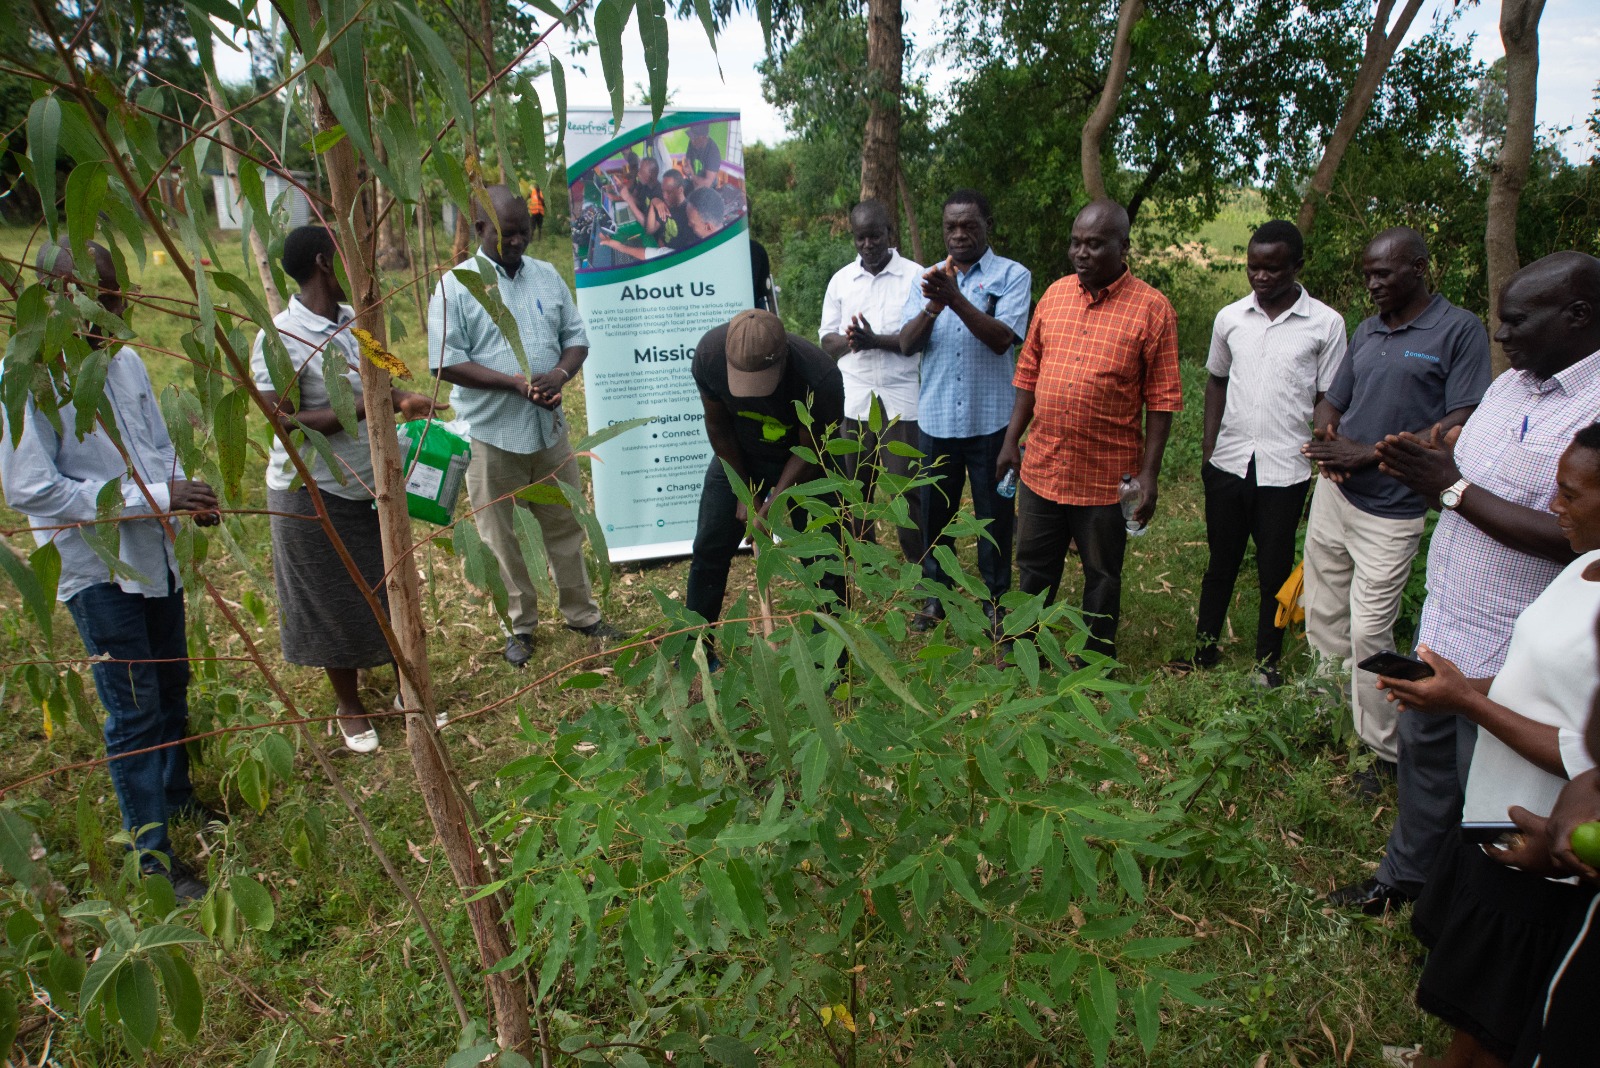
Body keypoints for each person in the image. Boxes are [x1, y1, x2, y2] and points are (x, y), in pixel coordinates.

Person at [1328, 251, 1600, 914]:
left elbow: (1570, 533)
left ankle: (1474, 913)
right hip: (1449, 621)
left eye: (1517, 322)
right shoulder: (1512, 385)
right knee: (1426, 765)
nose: (1500, 337)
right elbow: (1467, 476)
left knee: (1494, 787)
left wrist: (1447, 486)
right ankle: (1406, 881)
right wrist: (1433, 462)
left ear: (1577, 316)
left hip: (1518, 651)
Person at [1368, 423, 1600, 1068]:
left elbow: (1589, 759)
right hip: (1497, 809)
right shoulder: (1583, 564)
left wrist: (1469, 704)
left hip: (1547, 836)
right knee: (1473, 1003)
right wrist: (1460, 686)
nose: (1555, 505)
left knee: (1500, 1015)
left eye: (1571, 494)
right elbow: (1534, 674)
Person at [0, 239, 220, 901]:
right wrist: (151, 499)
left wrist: (188, 490)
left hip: (156, 556)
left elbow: (155, 450)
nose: (117, 308)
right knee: (133, 711)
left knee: (171, 684)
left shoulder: (123, 364)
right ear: (56, 295)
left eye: (118, 293)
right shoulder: (28, 378)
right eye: (102, 295)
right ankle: (154, 860)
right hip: (96, 569)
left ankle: (180, 802)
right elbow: (34, 489)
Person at [1301, 227, 1489, 778]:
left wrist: (1369, 453)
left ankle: (1381, 751)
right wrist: (1328, 440)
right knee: (1324, 612)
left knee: (1370, 630)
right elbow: (1334, 400)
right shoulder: (1367, 330)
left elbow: (1461, 418)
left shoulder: (1458, 329)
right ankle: (1326, 713)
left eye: (1384, 273)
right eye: (1367, 274)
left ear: (1420, 267)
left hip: (1392, 509)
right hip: (1335, 496)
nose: (1373, 284)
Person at [252, 225, 441, 753]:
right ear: (323, 263)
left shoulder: (355, 322)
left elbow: (385, 375)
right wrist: (371, 404)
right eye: (351, 257)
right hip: (311, 490)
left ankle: (411, 694)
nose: (367, 267)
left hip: (370, 484)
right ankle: (350, 706)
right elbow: (284, 423)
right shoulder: (279, 337)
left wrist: (405, 397)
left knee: (389, 590)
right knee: (331, 602)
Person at [428, 185, 622, 668]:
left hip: (549, 432)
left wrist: (558, 374)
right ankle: (520, 627)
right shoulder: (457, 286)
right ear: (480, 230)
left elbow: (576, 339)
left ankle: (582, 615)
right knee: (503, 539)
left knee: (565, 526)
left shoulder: (547, 276)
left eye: (524, 232)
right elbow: (443, 362)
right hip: (490, 436)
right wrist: (514, 384)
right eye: (506, 233)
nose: (517, 242)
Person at [996, 198, 1181, 660]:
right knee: (1034, 564)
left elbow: (1162, 401)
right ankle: (1023, 648)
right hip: (1043, 464)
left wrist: (1150, 475)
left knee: (1101, 571)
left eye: (1095, 245)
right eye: (1076, 243)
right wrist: (1010, 440)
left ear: (1123, 246)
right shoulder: (1055, 295)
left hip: (1105, 474)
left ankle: (1094, 656)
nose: (1081, 253)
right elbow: (1028, 373)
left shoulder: (1153, 310)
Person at [1174, 220, 1346, 686]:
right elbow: (1216, 379)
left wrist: (1324, 445)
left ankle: (1266, 664)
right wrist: (1209, 449)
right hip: (1229, 463)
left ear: (1297, 266)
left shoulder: (1326, 324)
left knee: (1273, 569)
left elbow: (1329, 395)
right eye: (1253, 267)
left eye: (1273, 268)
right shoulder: (1231, 318)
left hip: (1286, 468)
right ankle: (1204, 652)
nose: (1261, 277)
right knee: (1220, 562)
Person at [900, 188, 1032, 630]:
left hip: (991, 424)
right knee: (934, 517)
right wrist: (934, 307)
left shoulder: (1013, 276)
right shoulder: (928, 278)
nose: (958, 234)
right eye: (950, 226)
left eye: (968, 225)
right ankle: (937, 597)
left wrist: (955, 297)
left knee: (993, 519)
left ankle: (997, 601)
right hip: (936, 422)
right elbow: (905, 344)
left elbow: (1001, 341)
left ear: (987, 226)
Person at [686, 309, 847, 628]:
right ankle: (696, 648)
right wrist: (746, 495)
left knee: (824, 559)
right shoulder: (708, 355)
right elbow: (718, 427)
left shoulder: (818, 375)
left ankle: (829, 667)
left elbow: (812, 447)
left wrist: (772, 505)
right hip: (740, 455)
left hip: (810, 462)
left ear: (784, 356)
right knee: (710, 546)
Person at [819, 200, 925, 562]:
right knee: (855, 491)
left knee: (906, 492)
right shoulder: (841, 281)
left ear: (889, 233)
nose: (868, 245)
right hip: (855, 401)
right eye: (860, 238)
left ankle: (920, 572)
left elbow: (920, 339)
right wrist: (852, 341)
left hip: (901, 402)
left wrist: (875, 339)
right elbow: (826, 340)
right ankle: (864, 562)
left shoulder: (915, 277)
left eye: (875, 236)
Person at [684, 122, 721, 189]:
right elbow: (687, 163)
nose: (692, 140)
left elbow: (707, 184)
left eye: (695, 138)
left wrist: (692, 175)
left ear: (704, 137)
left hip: (708, 188)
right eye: (691, 137)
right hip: (693, 181)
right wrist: (686, 169)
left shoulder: (713, 152)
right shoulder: (692, 143)